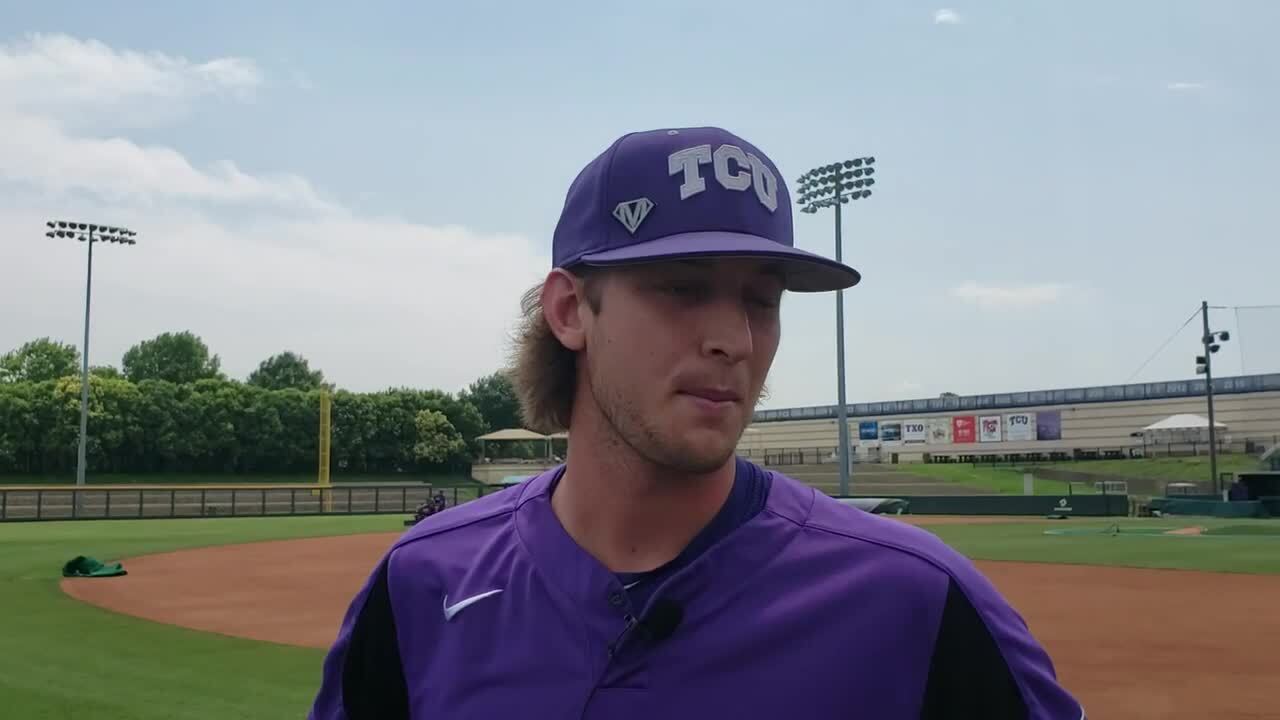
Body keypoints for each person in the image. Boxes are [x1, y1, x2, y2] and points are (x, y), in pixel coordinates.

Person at [308, 126, 1086, 719]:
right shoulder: (418, 588)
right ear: (571, 310)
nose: (736, 340)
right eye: (683, 287)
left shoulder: (917, 601)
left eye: (761, 299)